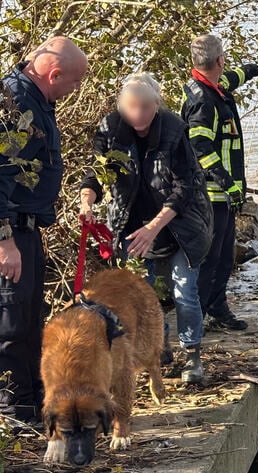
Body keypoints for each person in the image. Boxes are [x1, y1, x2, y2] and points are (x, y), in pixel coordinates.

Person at [79, 73, 213, 384]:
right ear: (121, 106)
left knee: (184, 293)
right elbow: (97, 175)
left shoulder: (175, 130)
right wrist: (87, 202)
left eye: (145, 107)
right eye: (131, 107)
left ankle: (192, 355)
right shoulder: (109, 129)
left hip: (181, 224)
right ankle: (159, 347)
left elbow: (185, 188)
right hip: (132, 225)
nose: (138, 114)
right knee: (144, 296)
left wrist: (154, 227)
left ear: (157, 105)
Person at [0, 36, 87, 426]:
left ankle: (34, 406)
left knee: (32, 320)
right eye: (74, 83)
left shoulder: (38, 101)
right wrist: (5, 242)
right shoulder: (17, 104)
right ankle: (13, 411)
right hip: (10, 231)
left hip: (26, 228)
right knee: (12, 322)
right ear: (54, 74)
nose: (75, 91)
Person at [181, 34, 258, 331]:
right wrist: (228, 184)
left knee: (222, 258)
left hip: (223, 195)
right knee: (212, 260)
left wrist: (255, 69)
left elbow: (231, 79)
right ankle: (199, 317)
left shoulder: (210, 87)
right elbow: (199, 148)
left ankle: (217, 307)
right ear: (219, 60)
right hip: (212, 195)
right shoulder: (205, 102)